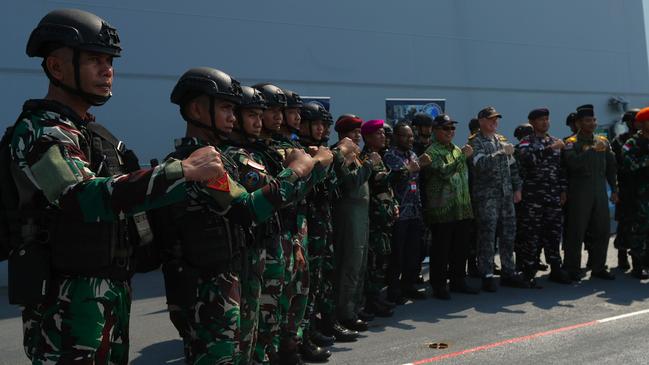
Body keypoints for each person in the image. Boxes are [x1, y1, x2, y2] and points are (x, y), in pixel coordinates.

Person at [7, 10, 227, 364]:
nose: (107, 69)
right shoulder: (42, 132)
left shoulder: (91, 134)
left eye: (109, 61)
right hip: (68, 302)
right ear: (57, 67)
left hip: (107, 291)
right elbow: (81, 197)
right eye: (94, 59)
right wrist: (180, 171)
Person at [151, 68, 320, 365]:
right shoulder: (197, 163)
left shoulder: (220, 158)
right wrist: (297, 170)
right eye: (226, 107)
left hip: (232, 278)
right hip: (208, 291)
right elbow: (249, 209)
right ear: (196, 109)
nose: (233, 116)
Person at [469, 106, 526, 292]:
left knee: (508, 235)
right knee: (487, 236)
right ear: (482, 121)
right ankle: (486, 274)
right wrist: (500, 153)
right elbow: (479, 165)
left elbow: (513, 166)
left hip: (506, 195)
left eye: (496, 119)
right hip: (487, 197)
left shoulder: (501, 140)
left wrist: (517, 188)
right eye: (491, 119)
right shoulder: (475, 142)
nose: (495, 122)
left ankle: (509, 271)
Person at [421, 114, 478, 299]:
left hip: (461, 208)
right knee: (441, 250)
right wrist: (463, 156)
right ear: (436, 130)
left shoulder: (455, 149)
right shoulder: (432, 151)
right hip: (442, 211)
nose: (450, 132)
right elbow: (443, 171)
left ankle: (458, 280)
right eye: (446, 128)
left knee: (460, 248)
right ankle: (438, 285)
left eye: (452, 128)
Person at [515, 108, 571, 285]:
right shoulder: (526, 142)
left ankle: (556, 268)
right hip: (533, 198)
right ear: (532, 122)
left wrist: (562, 190)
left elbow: (561, 169)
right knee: (531, 234)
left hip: (553, 196)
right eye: (541, 120)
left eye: (547, 119)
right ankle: (528, 271)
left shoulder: (555, 141)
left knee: (554, 234)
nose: (545, 122)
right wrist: (550, 149)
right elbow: (527, 160)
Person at [331, 114, 376, 331]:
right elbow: (351, 182)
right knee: (350, 264)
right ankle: (345, 313)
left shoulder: (354, 153)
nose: (358, 136)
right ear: (342, 134)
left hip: (360, 213)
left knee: (360, 262)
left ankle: (355, 307)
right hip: (348, 215)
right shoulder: (341, 154)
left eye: (359, 132)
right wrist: (368, 165)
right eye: (353, 132)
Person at [562, 104, 618, 281]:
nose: (592, 123)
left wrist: (614, 189)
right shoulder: (571, 143)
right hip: (579, 193)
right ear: (579, 123)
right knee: (576, 230)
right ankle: (572, 267)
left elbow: (611, 167)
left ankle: (598, 266)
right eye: (588, 120)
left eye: (594, 120)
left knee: (603, 229)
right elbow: (573, 164)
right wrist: (592, 150)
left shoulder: (603, 141)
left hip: (599, 192)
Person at [359, 119, 399, 315]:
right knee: (374, 261)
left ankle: (377, 298)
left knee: (382, 258)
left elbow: (387, 189)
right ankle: (371, 301)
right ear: (367, 137)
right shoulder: (367, 157)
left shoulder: (379, 156)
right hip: (374, 217)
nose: (383, 136)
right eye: (378, 134)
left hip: (384, 216)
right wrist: (405, 171)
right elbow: (378, 181)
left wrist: (394, 205)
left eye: (384, 133)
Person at [384, 122, 426, 302]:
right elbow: (395, 177)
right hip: (399, 212)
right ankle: (394, 290)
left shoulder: (413, 154)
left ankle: (409, 286)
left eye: (411, 136)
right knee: (397, 255)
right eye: (406, 136)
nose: (410, 139)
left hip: (415, 211)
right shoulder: (390, 156)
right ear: (396, 137)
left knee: (413, 253)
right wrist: (410, 169)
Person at [621, 107, 649, 279]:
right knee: (640, 230)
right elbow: (629, 164)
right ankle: (638, 265)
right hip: (640, 195)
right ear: (643, 123)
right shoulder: (632, 143)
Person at [611, 108, 640, 271]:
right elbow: (614, 165)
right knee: (625, 222)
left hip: (642, 187)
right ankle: (622, 254)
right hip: (626, 186)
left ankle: (640, 256)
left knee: (642, 222)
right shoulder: (620, 140)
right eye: (633, 121)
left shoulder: (645, 138)